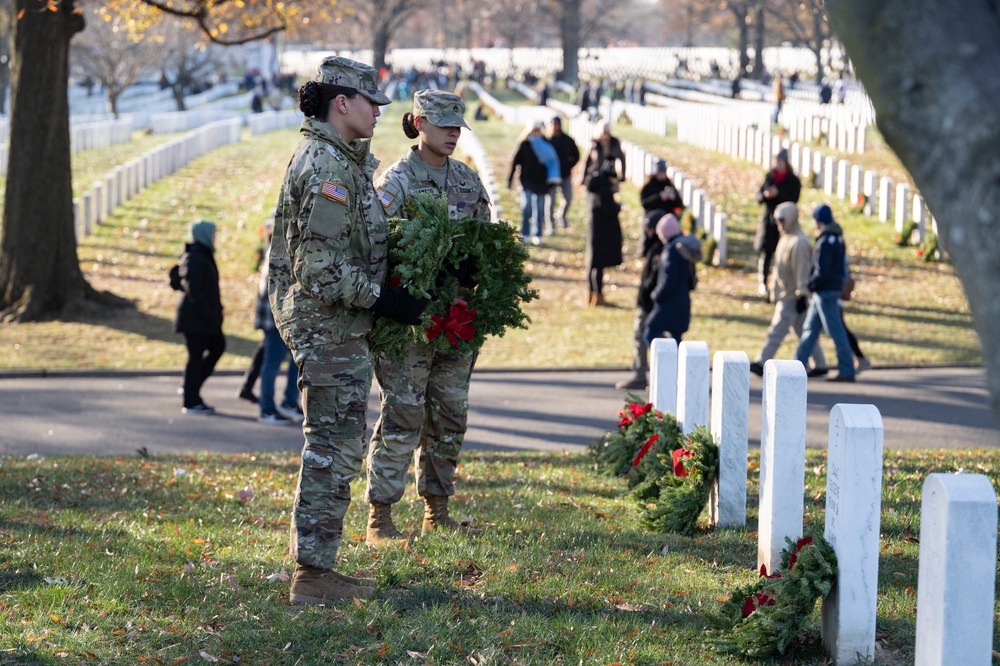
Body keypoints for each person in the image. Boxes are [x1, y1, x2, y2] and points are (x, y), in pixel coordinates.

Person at [269, 56, 425, 604]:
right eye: (371, 103)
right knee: (333, 446)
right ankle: (312, 576)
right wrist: (383, 298)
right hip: (326, 324)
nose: (380, 112)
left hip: (337, 323)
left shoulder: (341, 159)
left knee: (338, 442)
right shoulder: (329, 168)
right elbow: (318, 268)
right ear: (342, 103)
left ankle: (315, 567)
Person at [365, 90, 491, 548]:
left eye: (458, 126)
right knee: (403, 414)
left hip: (456, 321)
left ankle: (437, 509)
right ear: (419, 124)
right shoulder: (396, 182)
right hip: (410, 324)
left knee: (450, 413)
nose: (453, 133)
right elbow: (376, 244)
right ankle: (380, 517)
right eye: (443, 125)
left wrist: (474, 272)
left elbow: (485, 240)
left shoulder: (467, 182)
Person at [749, 202, 829, 378]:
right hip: (786, 292)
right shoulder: (785, 238)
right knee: (803, 330)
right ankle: (820, 363)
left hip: (793, 295)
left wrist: (802, 293)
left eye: (782, 220)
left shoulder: (799, 241)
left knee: (777, 329)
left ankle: (762, 361)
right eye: (777, 220)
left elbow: (802, 268)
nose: (779, 224)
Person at [793, 204, 856, 382]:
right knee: (810, 329)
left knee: (835, 331)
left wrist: (811, 285)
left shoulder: (825, 240)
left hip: (824, 291)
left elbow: (822, 270)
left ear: (818, 221)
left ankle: (847, 369)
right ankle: (796, 366)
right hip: (830, 289)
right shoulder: (837, 238)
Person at [174, 219, 225, 415]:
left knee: (217, 347)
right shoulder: (195, 256)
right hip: (195, 319)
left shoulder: (203, 253)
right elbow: (193, 289)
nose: (215, 237)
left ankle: (191, 388)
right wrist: (210, 313)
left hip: (205, 317)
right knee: (196, 357)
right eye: (212, 234)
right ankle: (191, 399)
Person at [255, 219, 302, 425]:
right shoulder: (278, 256)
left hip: (284, 318)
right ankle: (267, 409)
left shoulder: (278, 254)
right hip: (276, 320)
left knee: (294, 362)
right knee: (272, 364)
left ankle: (289, 401)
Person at [616, 209, 666, 390]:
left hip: (650, 304)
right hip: (650, 302)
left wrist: (647, 298)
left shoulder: (661, 250)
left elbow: (653, 280)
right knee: (649, 338)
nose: (647, 231)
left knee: (644, 337)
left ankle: (642, 375)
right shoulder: (655, 246)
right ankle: (646, 375)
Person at [643, 213, 700, 346]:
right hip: (682, 301)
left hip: (669, 303)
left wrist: (656, 295)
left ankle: (668, 363)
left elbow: (669, 280)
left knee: (650, 332)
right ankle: (677, 364)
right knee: (676, 338)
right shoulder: (684, 248)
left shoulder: (671, 252)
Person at [754, 147, 801, 299]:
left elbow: (793, 199)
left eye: (780, 161)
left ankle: (781, 284)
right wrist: (765, 195)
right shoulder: (770, 177)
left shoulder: (793, 181)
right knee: (766, 252)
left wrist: (778, 194)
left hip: (785, 222)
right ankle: (763, 281)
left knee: (782, 254)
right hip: (769, 220)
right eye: (777, 160)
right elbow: (759, 196)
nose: (778, 163)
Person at [508, 120, 550, 245]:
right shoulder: (524, 145)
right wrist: (510, 179)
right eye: (533, 131)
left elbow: (552, 162)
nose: (536, 133)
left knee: (539, 208)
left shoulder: (546, 144)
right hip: (527, 181)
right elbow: (515, 162)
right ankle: (525, 232)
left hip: (541, 182)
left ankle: (537, 234)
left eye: (538, 131)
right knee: (527, 206)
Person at [546, 116, 580, 229]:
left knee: (568, 197)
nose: (554, 126)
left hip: (565, 174)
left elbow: (576, 155)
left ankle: (561, 215)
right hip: (551, 175)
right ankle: (550, 222)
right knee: (550, 200)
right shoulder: (547, 140)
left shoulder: (568, 140)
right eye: (552, 124)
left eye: (556, 124)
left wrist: (569, 166)